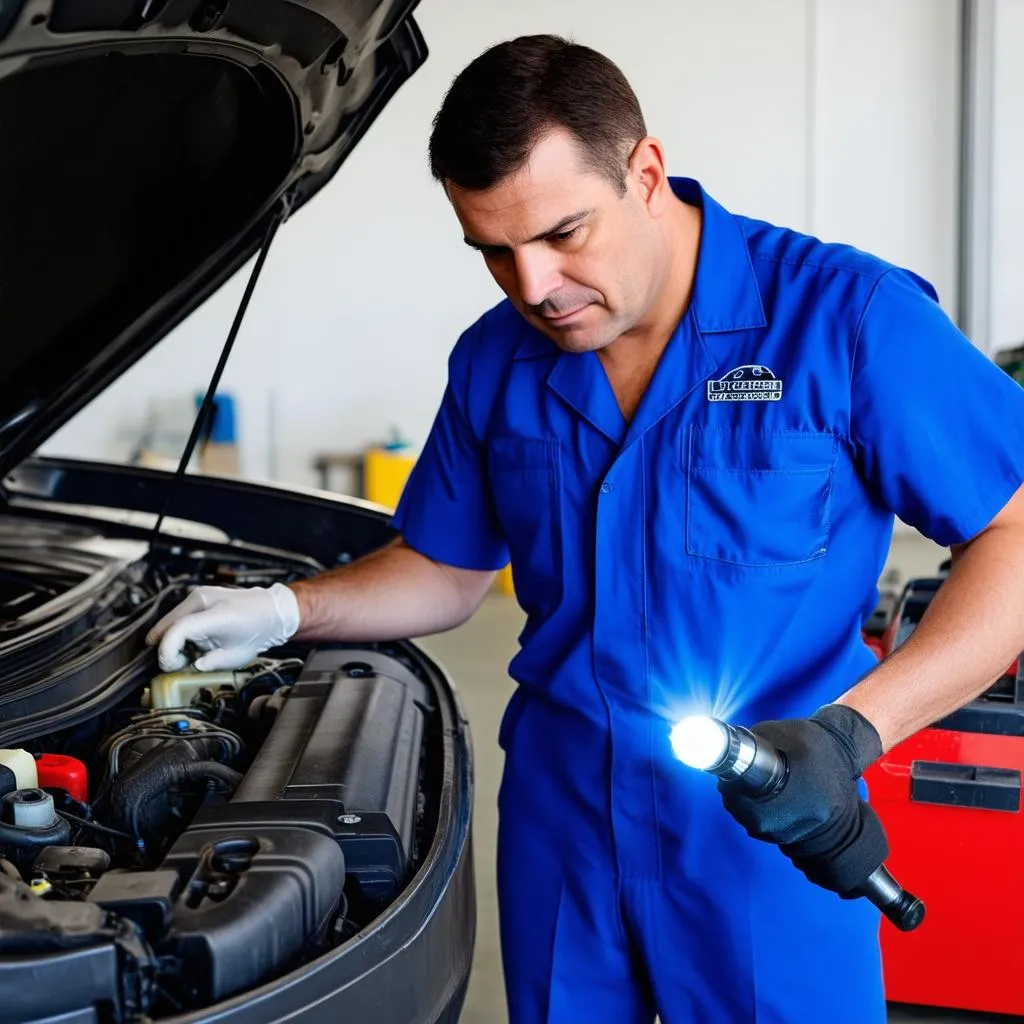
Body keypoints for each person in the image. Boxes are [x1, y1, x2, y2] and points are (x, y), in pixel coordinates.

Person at [148, 35, 1024, 1024]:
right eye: (492, 250)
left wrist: (851, 733)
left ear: (645, 173)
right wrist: (279, 610)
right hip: (564, 824)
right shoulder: (494, 358)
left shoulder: (845, 319)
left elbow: (1015, 535)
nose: (533, 286)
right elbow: (445, 568)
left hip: (764, 823)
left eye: (564, 233)